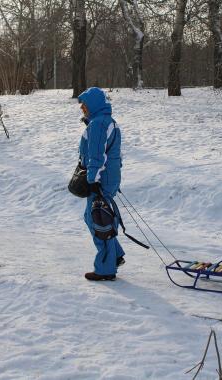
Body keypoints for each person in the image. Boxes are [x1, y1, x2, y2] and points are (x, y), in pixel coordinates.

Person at [78, 87, 125, 281]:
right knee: (96, 217)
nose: (82, 109)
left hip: (101, 178)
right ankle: (115, 255)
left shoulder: (98, 124)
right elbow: (117, 154)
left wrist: (93, 180)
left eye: (85, 106)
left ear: (94, 105)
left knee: (98, 219)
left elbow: (97, 155)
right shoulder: (108, 122)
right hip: (108, 177)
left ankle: (106, 268)